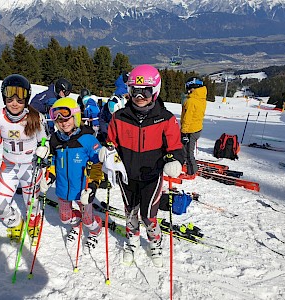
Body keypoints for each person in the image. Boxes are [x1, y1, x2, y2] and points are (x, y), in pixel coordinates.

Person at [99, 64, 184, 266]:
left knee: (148, 215)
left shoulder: (165, 118)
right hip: (126, 175)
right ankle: (132, 242)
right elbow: (111, 141)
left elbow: (175, 146)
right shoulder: (119, 117)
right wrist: (107, 149)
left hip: (151, 176)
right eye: (134, 91)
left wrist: (174, 160)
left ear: (154, 91)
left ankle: (154, 242)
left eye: (145, 91)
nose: (139, 96)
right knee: (130, 212)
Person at [0, 74, 50, 243]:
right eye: (10, 96)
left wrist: (44, 150)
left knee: (32, 205)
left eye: (20, 98)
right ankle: (15, 223)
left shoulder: (36, 117)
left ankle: (33, 223)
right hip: (9, 167)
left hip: (31, 168)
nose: (14, 102)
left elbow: (46, 141)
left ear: (26, 98)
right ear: (3, 96)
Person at [39, 97, 103, 251]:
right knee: (65, 218)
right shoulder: (55, 140)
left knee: (89, 220)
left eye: (67, 118)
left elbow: (98, 164)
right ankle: (76, 224)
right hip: (63, 189)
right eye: (59, 120)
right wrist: (49, 177)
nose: (63, 123)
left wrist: (93, 185)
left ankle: (95, 231)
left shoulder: (87, 139)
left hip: (83, 189)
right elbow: (53, 161)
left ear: (76, 117)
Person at [180, 76, 207, 180]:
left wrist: (184, 133)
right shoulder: (201, 98)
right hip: (197, 128)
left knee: (187, 152)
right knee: (186, 150)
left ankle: (192, 172)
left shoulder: (191, 101)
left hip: (190, 130)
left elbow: (187, 118)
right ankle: (185, 165)